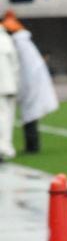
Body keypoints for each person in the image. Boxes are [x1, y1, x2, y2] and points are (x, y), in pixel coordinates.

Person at [3, 11, 59, 153]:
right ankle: (30, 145)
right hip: (24, 82)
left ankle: (31, 146)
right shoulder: (20, 42)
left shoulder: (18, 43)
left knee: (29, 115)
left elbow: (21, 67)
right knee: (28, 114)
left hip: (27, 82)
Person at [0, 13, 19, 162]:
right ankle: (5, 148)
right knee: (6, 117)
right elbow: (15, 66)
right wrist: (16, 83)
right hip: (8, 85)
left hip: (6, 85)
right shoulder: (6, 40)